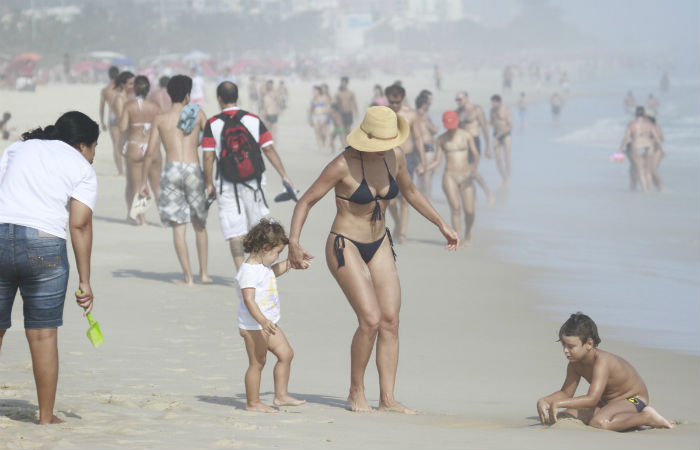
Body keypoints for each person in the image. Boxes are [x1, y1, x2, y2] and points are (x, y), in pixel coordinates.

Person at [287, 106, 459, 413]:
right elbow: (307, 200)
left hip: (379, 242)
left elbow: (411, 192)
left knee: (390, 321)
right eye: (378, 143)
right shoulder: (343, 164)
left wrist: (441, 224)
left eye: (388, 141)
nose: (384, 149)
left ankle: (388, 399)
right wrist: (294, 243)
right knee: (370, 319)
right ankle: (356, 390)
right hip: (345, 244)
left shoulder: (395, 156)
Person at [0, 111, 98, 425]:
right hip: (44, 245)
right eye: (94, 147)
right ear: (83, 145)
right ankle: (45, 416)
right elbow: (79, 225)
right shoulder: (81, 166)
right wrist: (85, 281)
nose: (94, 155)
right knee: (42, 335)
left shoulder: (18, 148)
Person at [201, 81, 294, 273]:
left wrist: (209, 183)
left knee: (235, 232)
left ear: (219, 99)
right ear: (237, 97)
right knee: (260, 227)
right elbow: (268, 148)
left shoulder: (213, 124)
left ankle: (241, 272)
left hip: (226, 184)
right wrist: (284, 174)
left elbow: (208, 155)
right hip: (255, 182)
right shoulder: (253, 119)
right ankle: (259, 268)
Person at [536, 313, 673, 431]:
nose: (565, 350)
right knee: (565, 416)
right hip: (607, 402)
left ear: (589, 344)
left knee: (599, 422)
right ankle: (624, 420)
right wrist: (546, 401)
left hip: (635, 399)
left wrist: (559, 404)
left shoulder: (602, 361)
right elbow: (566, 393)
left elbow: (592, 399)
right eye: (563, 345)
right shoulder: (574, 364)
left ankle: (646, 417)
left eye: (571, 346)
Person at [139, 75, 211, 285]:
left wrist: (143, 182)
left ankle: (188, 277)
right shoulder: (198, 114)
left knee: (179, 227)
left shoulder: (160, 119)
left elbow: (150, 153)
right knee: (199, 224)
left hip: (171, 170)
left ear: (168, 94)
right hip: (193, 169)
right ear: (188, 94)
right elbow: (209, 143)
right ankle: (204, 274)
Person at [236, 219, 305, 413]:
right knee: (257, 363)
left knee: (286, 354)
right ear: (265, 248)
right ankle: (253, 402)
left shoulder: (262, 267)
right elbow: (249, 300)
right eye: (276, 253)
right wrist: (263, 321)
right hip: (254, 326)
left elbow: (272, 273)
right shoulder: (248, 271)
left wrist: (291, 263)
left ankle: (281, 396)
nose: (276, 257)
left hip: (268, 324)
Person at [426, 111, 480, 245]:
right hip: (449, 176)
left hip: (466, 175)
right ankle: (458, 237)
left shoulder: (466, 135)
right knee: (455, 208)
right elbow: (438, 160)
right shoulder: (441, 139)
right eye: (448, 125)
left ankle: (467, 233)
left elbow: (475, 154)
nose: (451, 128)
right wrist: (426, 167)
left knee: (469, 211)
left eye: (453, 125)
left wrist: (474, 166)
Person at [384, 84, 425, 243]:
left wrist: (422, 162)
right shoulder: (384, 113)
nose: (394, 105)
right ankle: (398, 222)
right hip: (388, 158)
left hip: (408, 157)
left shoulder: (411, 115)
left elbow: (419, 138)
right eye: (392, 102)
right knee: (391, 200)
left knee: (405, 198)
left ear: (402, 99)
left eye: (397, 102)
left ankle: (402, 233)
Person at [119, 75, 162, 225]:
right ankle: (164, 218)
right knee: (156, 185)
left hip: (135, 146)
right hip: (151, 146)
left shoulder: (129, 106)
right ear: (149, 89)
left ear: (134, 88)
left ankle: (141, 219)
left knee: (137, 186)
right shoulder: (155, 107)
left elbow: (123, 127)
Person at [455, 91, 494, 203]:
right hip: (462, 143)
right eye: (456, 100)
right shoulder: (458, 112)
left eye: (460, 99)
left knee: (472, 171)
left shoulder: (476, 109)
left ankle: (488, 193)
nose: (458, 102)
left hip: (474, 141)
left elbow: (485, 128)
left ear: (467, 98)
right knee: (464, 172)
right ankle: (473, 198)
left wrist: (487, 147)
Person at [617, 106, 664, 192]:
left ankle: (645, 191)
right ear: (644, 114)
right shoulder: (650, 124)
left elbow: (627, 138)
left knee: (641, 170)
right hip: (649, 146)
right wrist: (662, 148)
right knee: (648, 170)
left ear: (635, 114)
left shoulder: (631, 125)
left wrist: (620, 149)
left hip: (637, 146)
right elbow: (656, 137)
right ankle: (649, 190)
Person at [99, 66, 122, 175]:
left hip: (112, 117)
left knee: (116, 145)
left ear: (109, 76)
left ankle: (121, 171)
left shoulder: (105, 90)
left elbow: (102, 107)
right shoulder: (122, 88)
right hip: (123, 116)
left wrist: (102, 121)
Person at [415, 92, 438, 199]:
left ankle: (420, 197)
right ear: (424, 104)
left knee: (420, 174)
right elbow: (433, 130)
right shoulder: (423, 116)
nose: (430, 106)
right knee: (428, 174)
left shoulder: (414, 114)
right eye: (429, 104)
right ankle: (428, 198)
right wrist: (435, 127)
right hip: (427, 147)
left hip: (417, 148)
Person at [490, 94, 513, 188]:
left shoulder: (506, 110)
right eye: (492, 103)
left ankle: (508, 178)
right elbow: (491, 122)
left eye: (495, 102)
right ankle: (503, 177)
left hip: (506, 135)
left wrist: (501, 133)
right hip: (496, 135)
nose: (493, 104)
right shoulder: (492, 111)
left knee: (506, 157)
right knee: (497, 159)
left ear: (499, 102)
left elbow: (511, 126)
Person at [645, 110, 665, 191]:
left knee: (652, 169)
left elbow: (660, 139)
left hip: (657, 151)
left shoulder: (655, 127)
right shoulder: (649, 127)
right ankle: (654, 187)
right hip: (652, 150)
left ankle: (660, 186)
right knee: (649, 170)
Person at [334, 76, 358, 142]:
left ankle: (348, 144)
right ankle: (344, 144)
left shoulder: (351, 93)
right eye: (342, 83)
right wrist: (335, 115)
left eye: (344, 83)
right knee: (342, 130)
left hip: (348, 113)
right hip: (341, 113)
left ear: (347, 83)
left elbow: (354, 103)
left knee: (348, 130)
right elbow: (335, 105)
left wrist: (356, 112)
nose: (343, 84)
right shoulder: (338, 94)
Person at [309, 85, 330, 150]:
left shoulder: (324, 97)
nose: (314, 92)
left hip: (323, 115)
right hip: (315, 116)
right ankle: (319, 145)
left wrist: (327, 115)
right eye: (313, 91)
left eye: (315, 90)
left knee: (323, 132)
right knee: (317, 131)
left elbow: (327, 106)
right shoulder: (313, 99)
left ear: (318, 91)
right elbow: (311, 109)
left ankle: (323, 142)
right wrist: (310, 118)